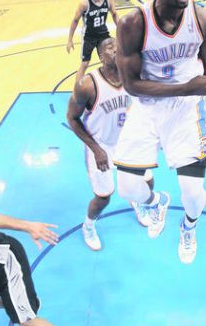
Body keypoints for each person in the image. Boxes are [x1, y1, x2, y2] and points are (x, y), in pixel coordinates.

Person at [113, 0, 206, 265]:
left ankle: (188, 228)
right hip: (147, 106)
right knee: (126, 186)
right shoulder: (133, 24)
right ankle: (155, 203)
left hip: (187, 110)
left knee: (192, 192)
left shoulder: (202, 19)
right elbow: (131, 85)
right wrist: (185, 87)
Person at [66, 37, 154, 251]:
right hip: (101, 146)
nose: (115, 48)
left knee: (148, 183)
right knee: (104, 197)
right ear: (100, 56)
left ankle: (138, 202)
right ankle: (88, 226)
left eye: (117, 44)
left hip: (129, 143)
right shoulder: (87, 85)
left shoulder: (134, 75)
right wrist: (96, 150)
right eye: (109, 46)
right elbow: (72, 119)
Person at [66, 0, 119, 87]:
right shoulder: (84, 3)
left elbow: (114, 14)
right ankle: (77, 89)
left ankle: (113, 83)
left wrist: (121, 29)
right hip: (88, 36)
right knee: (85, 64)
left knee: (110, 59)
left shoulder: (109, 0)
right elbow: (75, 20)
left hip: (103, 34)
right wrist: (69, 40)